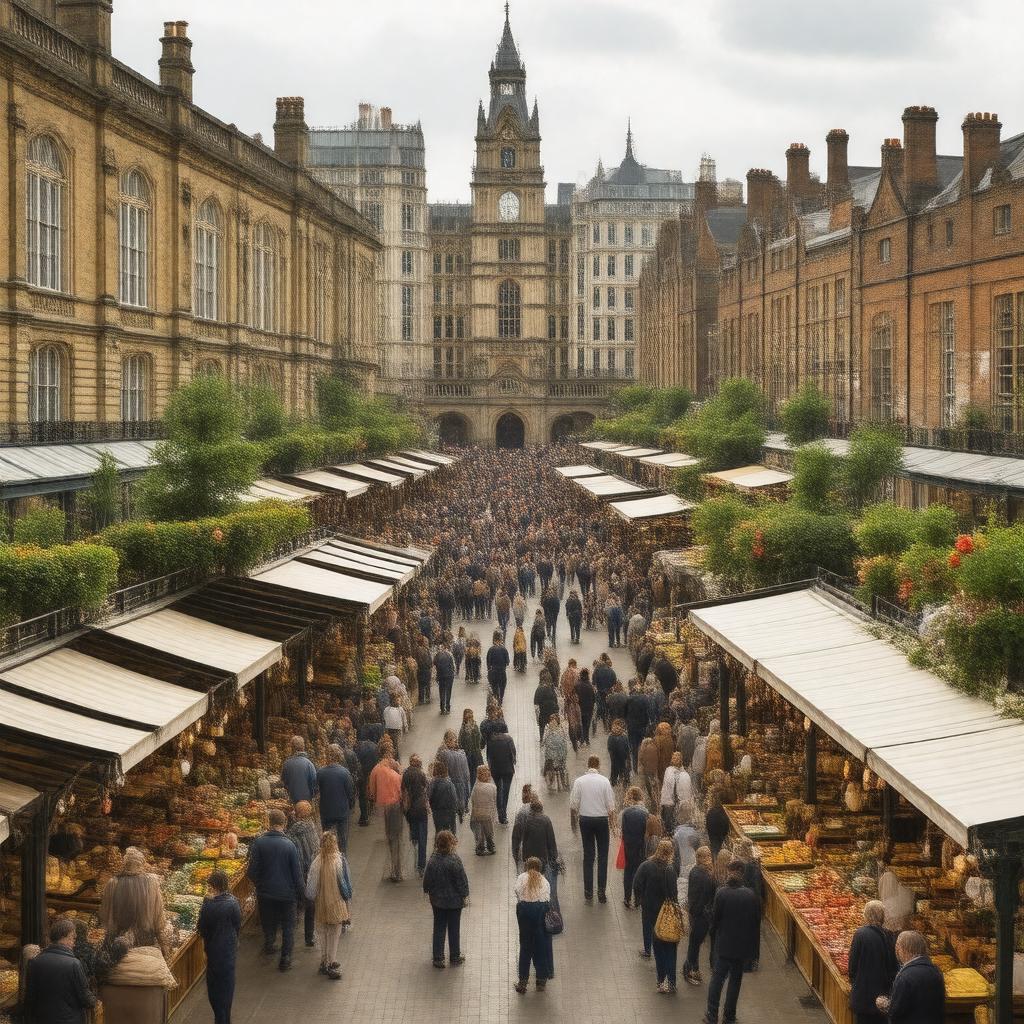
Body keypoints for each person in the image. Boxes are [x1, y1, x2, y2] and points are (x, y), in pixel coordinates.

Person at [703, 860, 761, 1024]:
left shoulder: (722, 893)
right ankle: (729, 1016)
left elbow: (715, 920)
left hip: (725, 945)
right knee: (735, 981)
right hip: (742, 948)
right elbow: (756, 923)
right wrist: (754, 951)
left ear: (730, 875)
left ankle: (712, 1014)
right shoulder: (751, 895)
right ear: (742, 875)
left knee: (717, 980)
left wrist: (713, 935)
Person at [246, 808, 304, 972]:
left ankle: (269, 943)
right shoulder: (290, 845)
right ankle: (285, 959)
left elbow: (251, 871)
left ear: (268, 823)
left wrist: (260, 884)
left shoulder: (259, 843)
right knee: (288, 926)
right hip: (287, 895)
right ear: (284, 823)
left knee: (268, 921)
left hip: (266, 894)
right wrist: (302, 895)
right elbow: (297, 874)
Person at [23, 917, 96, 1024]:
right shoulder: (74, 964)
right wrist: (95, 999)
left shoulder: (35, 962)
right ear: (63, 937)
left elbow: (30, 998)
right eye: (72, 938)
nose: (74, 943)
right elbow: (86, 999)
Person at [633, 838, 681, 993]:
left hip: (651, 913)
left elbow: (637, 884)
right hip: (668, 915)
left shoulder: (646, 866)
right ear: (671, 852)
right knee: (671, 949)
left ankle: (661, 981)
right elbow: (674, 894)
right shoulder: (671, 869)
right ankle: (672, 982)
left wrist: (640, 901)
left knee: (658, 948)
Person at [98, 846, 168, 951]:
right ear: (141, 864)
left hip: (117, 938)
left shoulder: (113, 882)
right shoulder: (151, 882)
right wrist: (163, 943)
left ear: (124, 864)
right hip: (144, 938)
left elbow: (105, 915)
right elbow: (158, 916)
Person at [569, 755, 617, 904]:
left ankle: (588, 891)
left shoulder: (579, 782)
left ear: (588, 765)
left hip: (585, 820)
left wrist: (574, 822)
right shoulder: (604, 782)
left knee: (588, 856)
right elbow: (611, 806)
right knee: (603, 856)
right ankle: (601, 892)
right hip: (601, 820)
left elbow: (574, 804)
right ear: (599, 766)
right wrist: (613, 824)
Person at [305, 831, 352, 981]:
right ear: (335, 844)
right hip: (337, 902)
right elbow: (346, 884)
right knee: (334, 933)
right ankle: (331, 962)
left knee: (322, 932)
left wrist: (313, 898)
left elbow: (310, 890)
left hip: (320, 904)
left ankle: (323, 960)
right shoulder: (340, 860)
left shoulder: (316, 861)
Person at [197, 869, 241, 1024]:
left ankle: (220, 1019)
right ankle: (225, 1018)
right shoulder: (234, 903)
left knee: (214, 991)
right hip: (228, 952)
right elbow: (237, 924)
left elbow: (201, 928)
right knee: (228, 988)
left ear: (213, 885)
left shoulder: (208, 905)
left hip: (213, 953)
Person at [422, 830, 469, 969]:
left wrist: (427, 890)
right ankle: (454, 956)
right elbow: (462, 881)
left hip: (437, 901)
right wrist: (465, 894)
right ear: (450, 843)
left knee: (439, 927)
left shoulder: (432, 860)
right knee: (454, 928)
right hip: (454, 902)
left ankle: (438, 958)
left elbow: (427, 881)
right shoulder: (455, 860)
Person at [876, 930, 945, 1024]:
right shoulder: (936, 971)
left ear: (904, 950)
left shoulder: (905, 976)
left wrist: (884, 1004)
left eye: (898, 948)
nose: (897, 952)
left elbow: (896, 1011)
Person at [848, 900, 898, 1024]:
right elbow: (894, 966)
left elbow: (853, 965)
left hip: (864, 994)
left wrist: (855, 982)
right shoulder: (890, 935)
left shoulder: (860, 934)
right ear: (882, 917)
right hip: (883, 993)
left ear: (866, 916)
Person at [513, 857, 554, 994]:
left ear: (526, 866)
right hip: (541, 910)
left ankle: (523, 982)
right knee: (540, 946)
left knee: (525, 947)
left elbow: (517, 891)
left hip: (525, 912)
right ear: (540, 868)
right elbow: (548, 897)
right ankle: (541, 981)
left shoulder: (522, 877)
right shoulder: (544, 880)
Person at [512, 798, 560, 909]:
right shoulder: (546, 820)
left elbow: (524, 840)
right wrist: (554, 857)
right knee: (543, 880)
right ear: (541, 809)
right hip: (543, 857)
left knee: (531, 879)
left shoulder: (527, 821)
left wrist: (524, 858)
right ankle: (545, 904)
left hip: (530, 857)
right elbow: (551, 840)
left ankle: (532, 898)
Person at [286, 801, 320, 950]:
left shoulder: (292, 831)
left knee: (296, 902)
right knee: (310, 904)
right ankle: (309, 936)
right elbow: (317, 846)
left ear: (297, 813)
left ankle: (291, 930)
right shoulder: (312, 826)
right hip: (311, 869)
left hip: (298, 870)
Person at [369, 755, 406, 882]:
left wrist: (376, 800)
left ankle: (394, 869)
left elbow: (372, 790)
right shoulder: (396, 775)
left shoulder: (375, 769)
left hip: (383, 807)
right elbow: (402, 792)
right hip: (395, 807)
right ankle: (397, 871)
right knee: (396, 839)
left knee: (390, 838)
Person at [683, 846, 716, 986]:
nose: (710, 858)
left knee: (695, 942)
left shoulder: (697, 871)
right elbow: (700, 897)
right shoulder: (702, 875)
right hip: (700, 915)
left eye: (710, 855)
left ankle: (692, 968)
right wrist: (700, 912)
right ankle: (690, 969)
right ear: (700, 858)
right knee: (695, 943)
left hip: (698, 913)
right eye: (707, 856)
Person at [317, 745, 356, 854]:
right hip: (342, 811)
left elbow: (316, 791)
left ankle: (328, 861)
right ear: (339, 756)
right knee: (343, 841)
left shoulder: (320, 773)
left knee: (327, 839)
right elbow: (350, 792)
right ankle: (342, 863)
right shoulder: (344, 773)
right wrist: (351, 805)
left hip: (326, 811)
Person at [620, 786, 649, 910]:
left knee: (628, 871)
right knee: (639, 871)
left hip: (628, 845)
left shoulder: (626, 813)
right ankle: (638, 898)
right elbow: (647, 833)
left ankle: (627, 897)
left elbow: (623, 831)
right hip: (640, 846)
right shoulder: (645, 813)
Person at [402, 755, 430, 877]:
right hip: (421, 809)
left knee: (414, 829)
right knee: (423, 838)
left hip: (410, 809)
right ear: (419, 764)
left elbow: (403, 790)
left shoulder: (406, 774)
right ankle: (421, 866)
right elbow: (426, 788)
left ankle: (414, 839)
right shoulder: (422, 774)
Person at [437, 730, 472, 819]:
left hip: (458, 779)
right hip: (454, 780)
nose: (455, 742)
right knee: (457, 798)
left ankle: (460, 810)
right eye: (453, 740)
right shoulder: (446, 753)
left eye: (456, 740)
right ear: (447, 741)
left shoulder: (447, 752)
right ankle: (460, 810)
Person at [487, 727, 517, 825]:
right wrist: (513, 761)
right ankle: (503, 814)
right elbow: (513, 753)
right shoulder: (508, 739)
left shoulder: (491, 741)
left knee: (499, 790)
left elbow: (488, 756)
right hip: (508, 769)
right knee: (506, 791)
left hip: (496, 770)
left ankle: (500, 813)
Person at [354, 725, 380, 827]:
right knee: (372, 789)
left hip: (362, 774)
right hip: (372, 772)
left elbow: (357, 762)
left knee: (362, 795)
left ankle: (364, 817)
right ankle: (372, 805)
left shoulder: (358, 748)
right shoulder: (374, 746)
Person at [280, 735, 318, 804]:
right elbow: (314, 783)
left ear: (292, 748)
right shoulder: (309, 764)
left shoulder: (286, 764)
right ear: (303, 747)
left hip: (292, 800)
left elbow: (283, 783)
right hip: (306, 802)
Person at [470, 765, 498, 855]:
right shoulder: (493, 787)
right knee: (489, 832)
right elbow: (494, 801)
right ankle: (490, 846)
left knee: (479, 832)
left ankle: (480, 848)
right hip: (488, 815)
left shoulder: (475, 788)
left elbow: (473, 800)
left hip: (476, 814)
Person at [428, 759, 460, 835]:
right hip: (449, 811)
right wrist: (455, 809)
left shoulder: (433, 783)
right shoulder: (449, 783)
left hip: (437, 811)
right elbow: (454, 797)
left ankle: (438, 845)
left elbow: (429, 796)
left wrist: (432, 806)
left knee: (439, 831)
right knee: (450, 832)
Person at [541, 714, 569, 793]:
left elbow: (544, 740)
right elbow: (565, 739)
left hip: (551, 755)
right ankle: (564, 784)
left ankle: (551, 784)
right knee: (562, 767)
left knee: (549, 767)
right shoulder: (562, 728)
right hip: (561, 753)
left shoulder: (547, 728)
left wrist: (543, 744)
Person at [459, 709, 484, 786]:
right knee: (475, 774)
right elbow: (481, 741)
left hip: (468, 755)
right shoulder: (475, 727)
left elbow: (460, 743)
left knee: (471, 774)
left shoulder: (463, 728)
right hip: (475, 755)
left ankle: (472, 788)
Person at [533, 674, 560, 744]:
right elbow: (555, 700)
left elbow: (535, 702)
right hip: (553, 710)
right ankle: (553, 738)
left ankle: (541, 739)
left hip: (543, 710)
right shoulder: (551, 688)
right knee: (553, 724)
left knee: (542, 725)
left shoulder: (539, 688)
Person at [486, 630, 511, 704]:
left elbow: (488, 662)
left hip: (493, 672)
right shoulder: (504, 649)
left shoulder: (490, 650)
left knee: (494, 686)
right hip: (502, 672)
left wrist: (489, 670)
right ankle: (501, 698)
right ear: (500, 639)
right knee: (502, 686)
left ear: (494, 639)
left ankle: (496, 698)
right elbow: (508, 662)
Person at [706, 790, 731, 859]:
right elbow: (726, 827)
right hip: (720, 835)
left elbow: (708, 825)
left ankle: (716, 863)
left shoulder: (711, 811)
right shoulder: (725, 813)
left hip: (713, 836)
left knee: (715, 850)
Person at [575, 668, 597, 745]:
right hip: (588, 709)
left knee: (580, 723)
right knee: (587, 725)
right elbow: (594, 699)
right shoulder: (590, 686)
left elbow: (574, 697)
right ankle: (587, 740)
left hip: (579, 708)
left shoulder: (577, 685)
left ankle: (581, 740)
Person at [607, 718, 631, 788]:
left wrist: (611, 754)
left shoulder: (611, 736)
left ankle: (613, 781)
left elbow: (609, 748)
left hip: (614, 757)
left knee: (614, 768)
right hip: (623, 757)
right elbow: (627, 748)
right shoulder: (624, 736)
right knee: (623, 769)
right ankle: (624, 782)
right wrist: (628, 757)